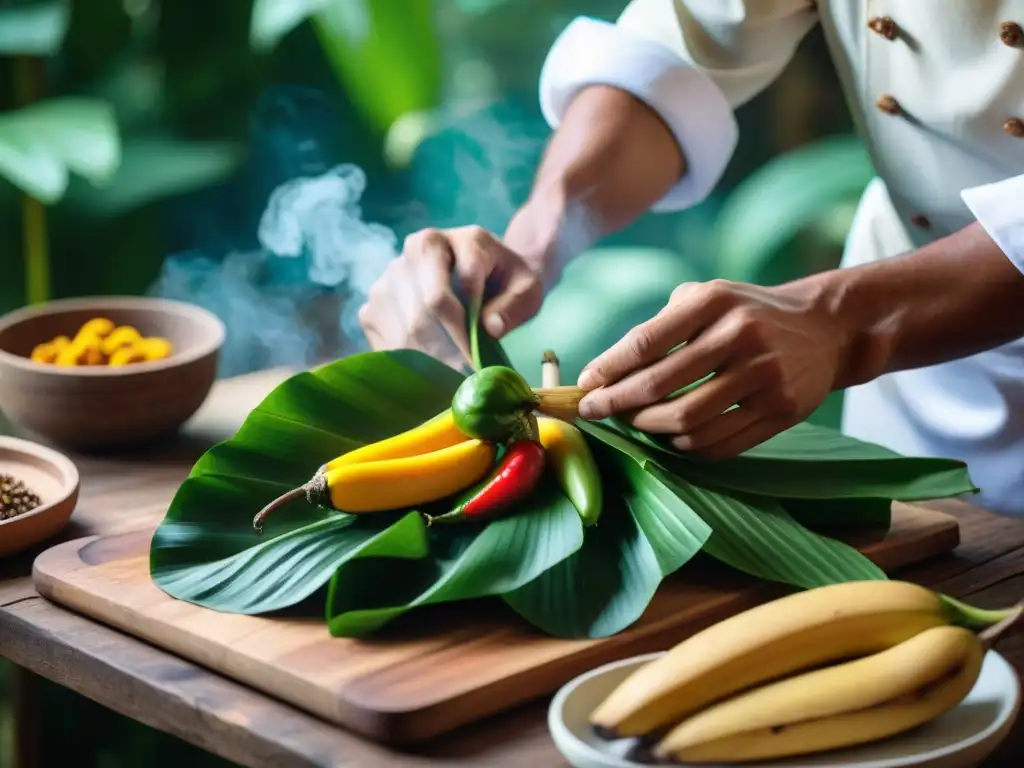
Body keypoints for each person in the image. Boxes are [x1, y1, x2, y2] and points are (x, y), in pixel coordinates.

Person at [359, 1, 1024, 515]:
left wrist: (847, 323)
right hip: (917, 382)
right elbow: (683, 42)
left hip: (930, 304)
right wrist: (539, 233)